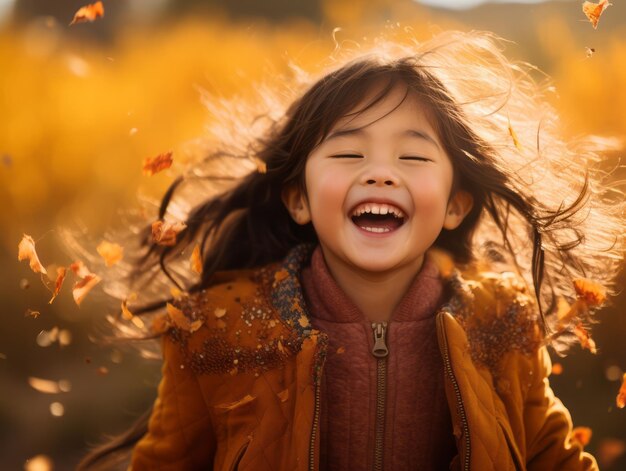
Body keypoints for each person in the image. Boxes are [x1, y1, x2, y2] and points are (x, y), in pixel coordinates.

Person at [77, 30, 624, 470]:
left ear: (455, 205)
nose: (381, 174)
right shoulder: (221, 329)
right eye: (347, 154)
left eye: (412, 158)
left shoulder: (500, 322)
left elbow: (552, 457)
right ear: (299, 199)